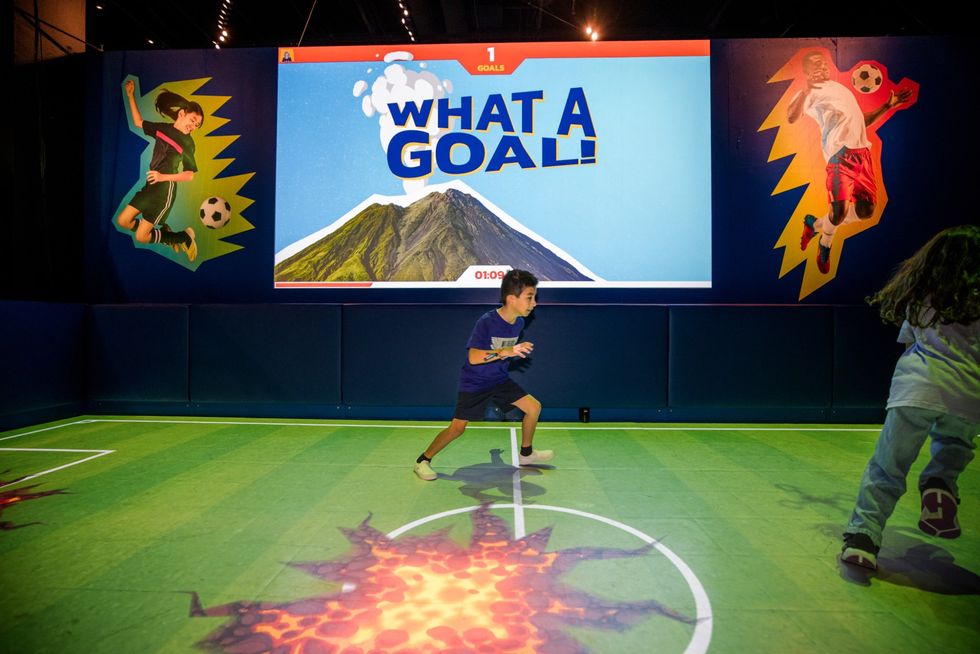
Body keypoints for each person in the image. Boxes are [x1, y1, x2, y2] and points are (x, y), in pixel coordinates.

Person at [841, 225, 980, 570]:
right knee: (955, 445)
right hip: (969, 395)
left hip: (916, 389)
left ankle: (863, 539)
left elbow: (907, 343)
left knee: (887, 468)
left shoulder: (920, 298)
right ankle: (939, 484)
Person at [414, 269, 552, 481]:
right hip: (475, 383)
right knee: (457, 428)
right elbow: (474, 357)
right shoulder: (486, 321)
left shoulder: (519, 323)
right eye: (530, 297)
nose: (534, 303)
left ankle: (526, 454)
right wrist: (505, 352)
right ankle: (423, 460)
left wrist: (510, 353)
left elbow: (503, 352)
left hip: (499, 380)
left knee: (534, 407)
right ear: (511, 298)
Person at [787, 51, 912, 273]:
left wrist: (887, 106)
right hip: (839, 155)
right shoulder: (809, 94)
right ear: (807, 70)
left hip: (862, 153)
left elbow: (860, 121)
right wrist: (806, 90)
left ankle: (814, 225)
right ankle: (824, 244)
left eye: (824, 64)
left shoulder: (840, 89)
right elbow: (791, 116)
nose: (822, 67)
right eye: (816, 64)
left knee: (866, 211)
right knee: (839, 213)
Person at [116, 79, 201, 261]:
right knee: (123, 221)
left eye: (196, 125)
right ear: (182, 113)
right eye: (192, 120)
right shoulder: (162, 129)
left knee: (141, 237)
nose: (193, 126)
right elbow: (138, 122)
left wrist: (163, 177)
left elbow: (189, 175)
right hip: (150, 186)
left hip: (164, 191)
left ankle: (182, 237)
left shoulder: (188, 144)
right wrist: (130, 95)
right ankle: (164, 232)